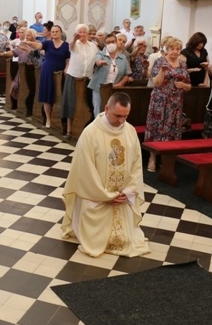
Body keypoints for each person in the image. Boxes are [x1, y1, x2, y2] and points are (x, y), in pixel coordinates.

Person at [61, 92, 150, 258]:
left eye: (125, 116)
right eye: (117, 115)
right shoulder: (90, 133)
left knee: (129, 240)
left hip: (122, 198)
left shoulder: (130, 131)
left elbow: (137, 165)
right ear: (106, 108)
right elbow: (84, 171)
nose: (121, 121)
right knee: (97, 242)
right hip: (97, 197)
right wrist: (106, 195)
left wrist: (128, 191)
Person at [144, 37, 191, 172]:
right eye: (172, 49)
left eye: (177, 49)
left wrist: (182, 85)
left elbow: (189, 86)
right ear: (167, 49)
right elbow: (156, 83)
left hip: (175, 103)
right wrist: (163, 71)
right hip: (160, 101)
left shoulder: (183, 64)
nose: (175, 52)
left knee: (172, 130)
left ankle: (167, 161)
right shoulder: (160, 62)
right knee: (156, 129)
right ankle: (152, 158)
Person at [23, 25, 70, 128]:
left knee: (59, 95)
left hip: (60, 71)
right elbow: (38, 46)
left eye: (56, 31)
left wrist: (66, 68)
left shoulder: (66, 45)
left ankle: (59, 120)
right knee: (47, 97)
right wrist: (30, 43)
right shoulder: (48, 43)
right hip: (47, 70)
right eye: (52, 32)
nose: (54, 33)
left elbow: (68, 59)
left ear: (60, 32)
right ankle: (48, 119)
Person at [62, 24, 99, 136]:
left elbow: (98, 56)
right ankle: (68, 129)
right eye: (80, 32)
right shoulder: (74, 44)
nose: (82, 34)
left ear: (88, 34)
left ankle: (86, 129)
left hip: (88, 77)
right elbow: (71, 47)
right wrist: (74, 38)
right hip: (73, 75)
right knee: (71, 102)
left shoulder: (93, 46)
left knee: (87, 103)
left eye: (84, 32)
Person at [87, 34, 131, 119]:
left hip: (114, 89)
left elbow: (127, 74)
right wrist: (100, 62)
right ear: (105, 44)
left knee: (112, 111)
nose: (111, 44)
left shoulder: (123, 58)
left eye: (113, 42)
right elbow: (97, 60)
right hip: (99, 88)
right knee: (98, 110)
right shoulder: (100, 54)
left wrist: (120, 84)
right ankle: (98, 128)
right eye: (108, 42)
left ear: (116, 42)